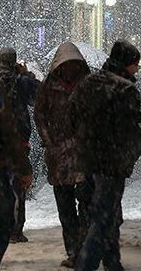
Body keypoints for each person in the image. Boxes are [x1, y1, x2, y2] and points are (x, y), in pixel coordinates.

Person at [70, 40, 141, 271]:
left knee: (103, 216)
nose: (137, 69)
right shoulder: (125, 89)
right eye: (135, 64)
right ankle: (86, 266)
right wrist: (131, 155)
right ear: (127, 63)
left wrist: (84, 143)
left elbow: (71, 118)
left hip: (87, 160)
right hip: (111, 163)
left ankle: (113, 263)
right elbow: (130, 130)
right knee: (103, 220)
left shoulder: (87, 83)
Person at [34, 42, 91, 267]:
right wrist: (50, 142)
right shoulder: (48, 87)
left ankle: (83, 248)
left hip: (82, 155)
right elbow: (40, 116)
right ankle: (73, 250)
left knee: (85, 204)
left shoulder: (87, 84)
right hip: (59, 157)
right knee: (65, 207)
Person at [0, 48, 32, 268]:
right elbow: (7, 128)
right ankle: (16, 229)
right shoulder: (17, 82)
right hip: (4, 155)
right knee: (6, 208)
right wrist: (24, 167)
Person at [9, 54, 40, 243]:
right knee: (18, 185)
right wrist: (26, 74)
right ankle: (15, 229)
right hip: (19, 140)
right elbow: (37, 95)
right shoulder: (20, 81)